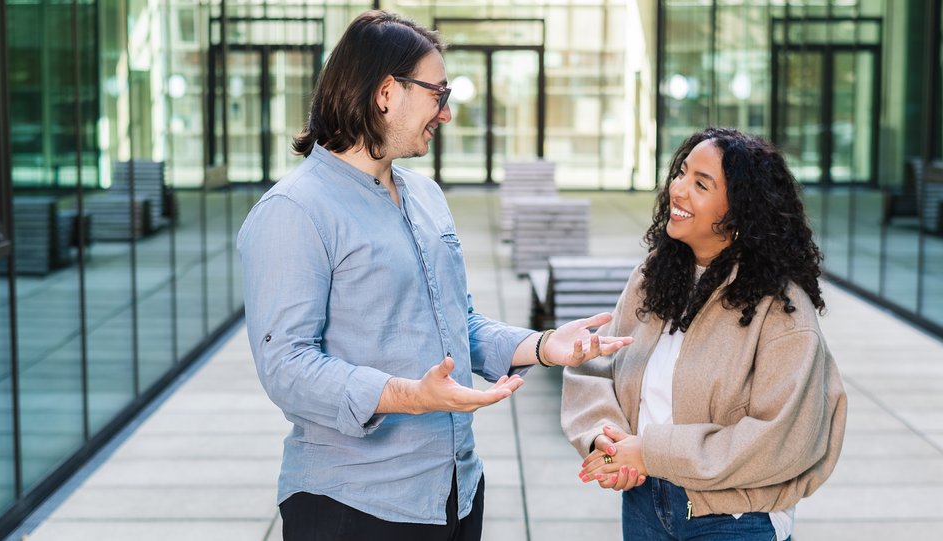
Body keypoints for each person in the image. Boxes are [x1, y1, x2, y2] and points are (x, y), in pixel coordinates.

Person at [237, 10, 631, 541]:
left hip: (456, 492)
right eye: (437, 94)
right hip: (353, 505)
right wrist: (408, 396)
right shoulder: (294, 210)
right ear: (385, 93)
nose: (445, 113)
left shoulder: (426, 196)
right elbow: (286, 366)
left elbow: (458, 325)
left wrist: (542, 346)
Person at [561, 127, 847, 541]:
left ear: (741, 209)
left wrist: (650, 452)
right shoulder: (654, 275)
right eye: (681, 173)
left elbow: (781, 437)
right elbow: (596, 366)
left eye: (701, 183)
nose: (678, 189)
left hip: (735, 518)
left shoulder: (781, 308)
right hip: (645, 502)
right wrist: (605, 444)